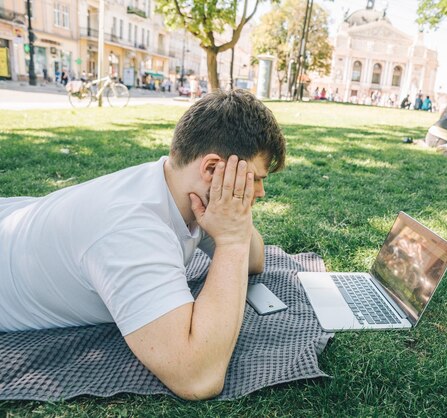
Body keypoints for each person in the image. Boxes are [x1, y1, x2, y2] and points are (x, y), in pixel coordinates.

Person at [0, 90, 286, 400]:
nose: (259, 192)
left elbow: (255, 261)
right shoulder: (130, 230)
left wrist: (234, 229)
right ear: (212, 169)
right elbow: (196, 376)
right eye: (255, 178)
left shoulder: (179, 189)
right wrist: (229, 242)